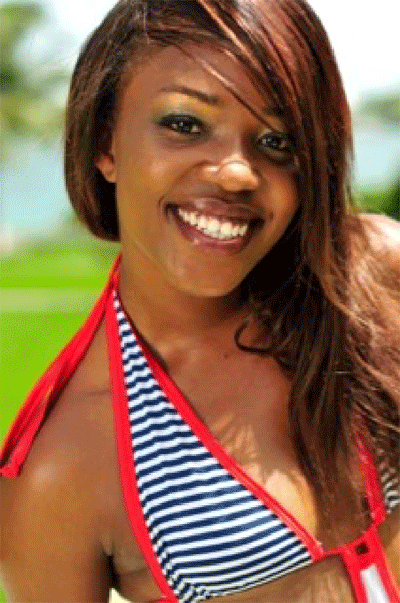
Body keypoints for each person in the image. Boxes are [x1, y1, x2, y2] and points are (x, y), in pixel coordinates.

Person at [1, 0, 399, 601]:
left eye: (278, 139)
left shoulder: (376, 277)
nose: (237, 173)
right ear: (105, 143)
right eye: (185, 124)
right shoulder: (62, 462)